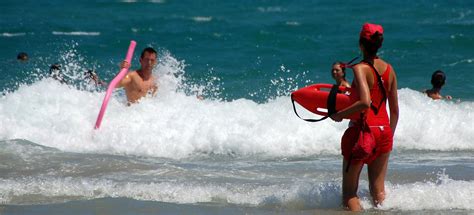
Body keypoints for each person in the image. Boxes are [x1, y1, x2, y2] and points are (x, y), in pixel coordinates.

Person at [330, 23, 399, 211]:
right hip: (384, 132)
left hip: (362, 132)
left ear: (361, 45)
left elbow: (364, 102)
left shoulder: (360, 68)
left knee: (349, 194)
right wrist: (388, 137)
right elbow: (395, 110)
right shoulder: (389, 70)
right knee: (378, 193)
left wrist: (339, 115)